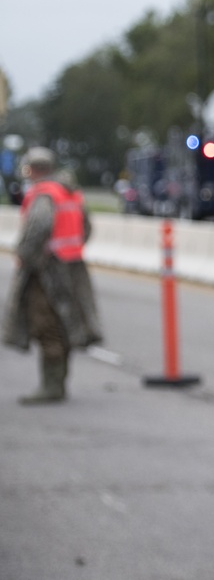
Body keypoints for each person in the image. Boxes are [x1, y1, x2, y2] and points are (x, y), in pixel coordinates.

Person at [3, 147, 102, 404]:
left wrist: (25, 255)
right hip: (72, 266)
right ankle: (58, 382)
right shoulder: (70, 191)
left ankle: (52, 385)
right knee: (65, 322)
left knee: (47, 326)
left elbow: (38, 227)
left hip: (47, 270)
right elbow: (87, 227)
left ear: (32, 169)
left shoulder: (44, 193)